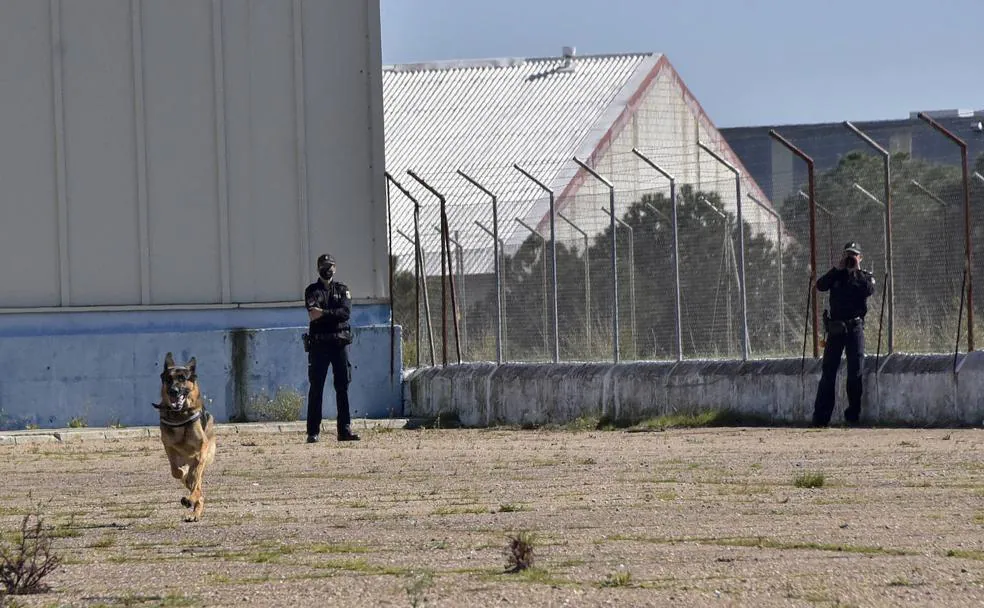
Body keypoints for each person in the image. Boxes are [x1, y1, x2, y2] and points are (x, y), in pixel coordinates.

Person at [812, 242, 876, 427]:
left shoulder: (864, 277)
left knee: (855, 373)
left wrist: (856, 270)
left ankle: (852, 417)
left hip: (854, 329)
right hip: (835, 329)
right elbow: (820, 286)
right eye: (847, 255)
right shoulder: (835, 276)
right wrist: (837, 268)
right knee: (828, 373)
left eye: (853, 255)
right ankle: (821, 418)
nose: (850, 258)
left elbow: (869, 290)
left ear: (860, 258)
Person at [303, 253, 360, 443]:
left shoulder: (342, 289)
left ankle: (344, 430)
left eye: (330, 265)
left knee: (342, 387)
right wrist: (332, 314)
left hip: (339, 344)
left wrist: (324, 313)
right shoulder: (312, 290)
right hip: (319, 345)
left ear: (335, 268)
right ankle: (313, 432)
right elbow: (313, 314)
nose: (327, 269)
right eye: (324, 265)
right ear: (318, 268)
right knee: (316, 387)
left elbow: (345, 313)